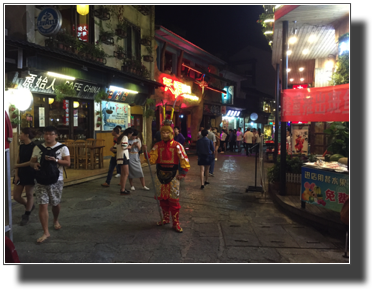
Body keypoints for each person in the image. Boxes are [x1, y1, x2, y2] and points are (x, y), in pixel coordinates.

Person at [143, 115, 190, 233]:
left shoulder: (177, 146)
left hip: (173, 175)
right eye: (162, 132)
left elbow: (184, 159)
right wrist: (145, 152)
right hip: (159, 174)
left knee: (174, 200)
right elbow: (152, 159)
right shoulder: (157, 146)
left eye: (166, 132)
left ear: (171, 133)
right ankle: (165, 219)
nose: (164, 134)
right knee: (162, 199)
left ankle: (176, 222)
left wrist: (182, 173)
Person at [30, 126, 70, 243]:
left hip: (57, 180)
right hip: (41, 179)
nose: (48, 136)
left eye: (51, 134)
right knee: (43, 204)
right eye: (46, 134)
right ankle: (45, 232)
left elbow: (68, 163)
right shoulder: (38, 147)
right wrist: (35, 165)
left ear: (56, 135)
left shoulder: (63, 148)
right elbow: (32, 162)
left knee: (55, 203)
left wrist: (55, 160)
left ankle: (55, 220)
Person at [13, 127, 37, 226]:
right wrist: (16, 174)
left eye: (21, 133)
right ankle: (29, 205)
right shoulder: (21, 146)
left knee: (29, 194)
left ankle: (26, 214)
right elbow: (18, 161)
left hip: (30, 172)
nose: (19, 135)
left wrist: (17, 166)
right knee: (16, 196)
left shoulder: (34, 146)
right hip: (21, 172)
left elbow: (31, 162)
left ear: (26, 135)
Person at [116, 128, 133, 195]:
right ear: (129, 133)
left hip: (120, 156)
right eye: (131, 134)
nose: (131, 136)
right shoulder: (125, 137)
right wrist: (129, 147)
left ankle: (122, 188)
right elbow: (124, 146)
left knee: (123, 174)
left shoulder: (120, 137)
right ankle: (122, 189)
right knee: (126, 173)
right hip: (124, 157)